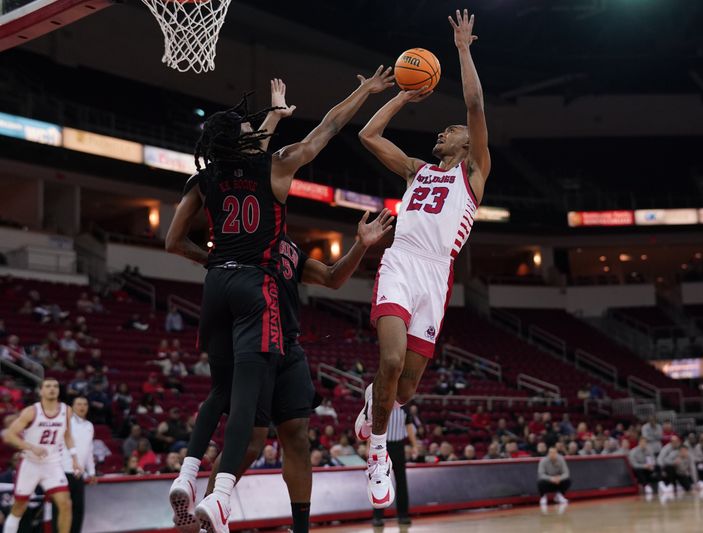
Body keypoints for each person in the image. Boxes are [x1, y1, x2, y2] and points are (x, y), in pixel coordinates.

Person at [167, 182, 395, 533]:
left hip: (288, 349)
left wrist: (360, 247)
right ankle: (206, 513)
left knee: (298, 439)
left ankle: (300, 529)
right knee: (250, 443)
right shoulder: (241, 242)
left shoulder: (289, 249)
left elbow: (333, 278)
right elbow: (184, 244)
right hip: (254, 346)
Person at [355, 9, 491, 508]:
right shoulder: (416, 170)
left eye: (450, 129)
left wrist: (461, 49)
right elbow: (368, 136)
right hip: (401, 261)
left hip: (437, 275)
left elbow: (474, 104)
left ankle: (375, 404)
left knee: (405, 388)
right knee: (389, 359)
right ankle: (377, 450)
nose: (444, 132)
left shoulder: (473, 172)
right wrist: (401, 95)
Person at [2, 378, 82, 533]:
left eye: (55, 386)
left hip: (52, 464)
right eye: (48, 386)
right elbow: (9, 435)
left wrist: (74, 458)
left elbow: (67, 435)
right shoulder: (31, 411)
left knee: (65, 504)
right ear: (41, 391)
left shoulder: (67, 410)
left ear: (59, 390)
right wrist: (31, 447)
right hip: (30, 463)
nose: (52, 389)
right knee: (19, 507)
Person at [53, 397, 95, 533]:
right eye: (79, 404)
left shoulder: (89, 426)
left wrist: (92, 472)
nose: (82, 407)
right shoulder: (65, 423)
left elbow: (89, 450)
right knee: (61, 509)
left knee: (78, 511)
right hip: (62, 472)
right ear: (72, 406)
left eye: (85, 404)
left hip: (78, 474)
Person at [372, 404, 416, 527]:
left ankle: (403, 515)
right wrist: (368, 445)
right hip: (382, 447)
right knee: (380, 482)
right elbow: (373, 426)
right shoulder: (380, 405)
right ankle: (377, 516)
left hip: (399, 446)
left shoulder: (405, 407)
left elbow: (409, 426)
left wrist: (414, 444)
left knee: (401, 482)